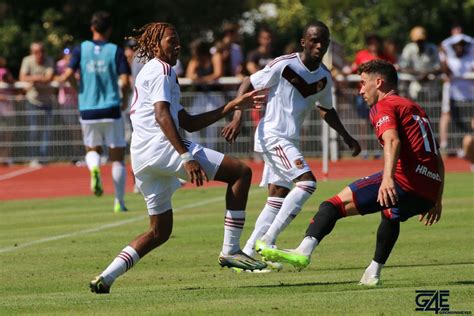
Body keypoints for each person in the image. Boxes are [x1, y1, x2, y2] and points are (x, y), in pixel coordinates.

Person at [89, 22, 268, 294]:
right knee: (240, 173)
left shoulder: (161, 72)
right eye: (171, 41)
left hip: (142, 157)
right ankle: (231, 249)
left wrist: (230, 107)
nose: (177, 46)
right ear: (155, 45)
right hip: (163, 148)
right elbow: (162, 115)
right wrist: (185, 156)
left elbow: (187, 121)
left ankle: (106, 277)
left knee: (159, 232)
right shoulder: (162, 70)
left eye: (178, 41)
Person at [257, 60, 445, 286]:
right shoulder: (414, 107)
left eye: (364, 83)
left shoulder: (384, 105)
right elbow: (437, 156)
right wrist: (437, 198)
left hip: (405, 181)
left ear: (379, 82)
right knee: (390, 214)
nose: (361, 90)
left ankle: (304, 250)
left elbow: (392, 140)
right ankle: (372, 273)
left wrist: (388, 179)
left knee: (332, 205)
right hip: (429, 190)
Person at [222, 21, 361, 265]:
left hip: (288, 139)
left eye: (324, 41)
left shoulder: (324, 77)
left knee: (277, 196)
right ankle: (268, 240)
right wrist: (237, 115)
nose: (319, 45)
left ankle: (248, 255)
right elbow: (248, 82)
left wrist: (346, 136)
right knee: (307, 184)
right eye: (314, 40)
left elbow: (326, 109)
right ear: (303, 42)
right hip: (274, 135)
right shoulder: (284, 64)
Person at [60, 11, 131, 212]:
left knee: (92, 149)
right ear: (109, 29)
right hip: (111, 107)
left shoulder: (81, 48)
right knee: (117, 157)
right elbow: (125, 81)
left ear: (92, 27)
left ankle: (94, 168)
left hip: (88, 108)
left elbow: (67, 74)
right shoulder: (115, 50)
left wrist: (79, 90)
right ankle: (119, 202)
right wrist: (124, 99)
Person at [19, 42, 55, 165]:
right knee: (33, 130)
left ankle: (43, 158)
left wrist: (34, 79)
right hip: (32, 101)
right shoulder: (27, 60)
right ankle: (33, 157)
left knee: (47, 131)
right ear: (31, 53)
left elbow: (49, 77)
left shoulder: (49, 60)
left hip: (47, 101)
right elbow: (22, 77)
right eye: (36, 52)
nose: (39, 54)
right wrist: (40, 78)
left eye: (42, 51)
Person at [185, 38, 224, 148]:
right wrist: (197, 78)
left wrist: (203, 79)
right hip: (201, 95)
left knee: (212, 125)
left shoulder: (215, 56)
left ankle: (210, 150)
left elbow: (218, 73)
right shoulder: (196, 60)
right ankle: (195, 148)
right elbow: (189, 74)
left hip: (214, 94)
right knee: (190, 119)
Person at [439, 34, 474, 151]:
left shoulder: (470, 59)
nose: (460, 48)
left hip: (469, 97)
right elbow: (446, 71)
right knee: (456, 123)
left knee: (469, 124)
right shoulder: (450, 60)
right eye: (457, 45)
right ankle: (454, 146)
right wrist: (444, 54)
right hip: (454, 97)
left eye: (462, 45)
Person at [399, 26, 441, 101]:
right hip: (414, 82)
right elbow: (402, 67)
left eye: (422, 40)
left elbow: (439, 67)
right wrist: (418, 73)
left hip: (430, 83)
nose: (420, 43)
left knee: (431, 107)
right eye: (418, 41)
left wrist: (426, 73)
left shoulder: (432, 48)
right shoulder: (409, 48)